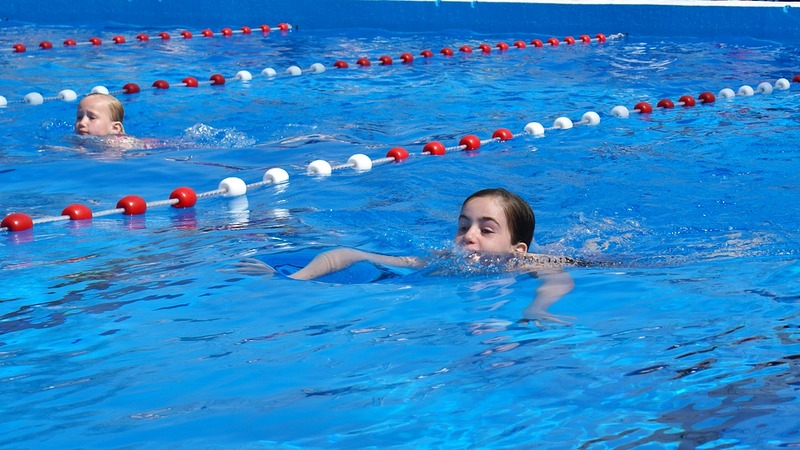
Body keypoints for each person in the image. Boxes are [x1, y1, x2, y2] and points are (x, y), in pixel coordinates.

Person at [235, 188, 576, 325]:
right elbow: (345, 252)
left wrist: (538, 307)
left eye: (486, 230)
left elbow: (557, 277)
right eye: (463, 226)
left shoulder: (524, 262)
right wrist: (293, 279)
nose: (469, 236)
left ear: (516, 249)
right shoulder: (440, 259)